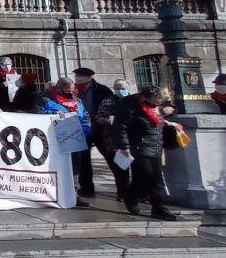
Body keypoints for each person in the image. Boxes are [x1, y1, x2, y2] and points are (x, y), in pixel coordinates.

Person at [111, 86, 179, 221]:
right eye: (156, 100)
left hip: (156, 145)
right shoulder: (131, 106)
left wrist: (171, 110)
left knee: (156, 178)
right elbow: (120, 127)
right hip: (138, 146)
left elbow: (167, 112)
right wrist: (124, 145)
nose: (158, 103)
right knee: (145, 176)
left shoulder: (156, 107)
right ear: (145, 97)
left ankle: (158, 207)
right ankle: (131, 196)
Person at [41, 76, 92, 208]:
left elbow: (85, 116)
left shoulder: (77, 101)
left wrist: (85, 130)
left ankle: (74, 195)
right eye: (67, 90)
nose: (71, 93)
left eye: (72, 90)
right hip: (56, 140)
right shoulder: (46, 99)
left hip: (76, 139)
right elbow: (37, 114)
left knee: (75, 169)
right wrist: (52, 113)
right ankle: (56, 194)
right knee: (58, 168)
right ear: (58, 88)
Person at [73, 67, 114, 197]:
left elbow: (111, 106)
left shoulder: (101, 90)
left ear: (89, 77)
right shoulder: (72, 90)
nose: (77, 78)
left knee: (111, 157)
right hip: (82, 130)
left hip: (99, 129)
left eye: (80, 76)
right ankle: (86, 189)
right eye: (76, 75)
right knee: (84, 162)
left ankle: (123, 188)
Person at [94, 78, 132, 201]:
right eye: (117, 88)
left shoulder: (134, 100)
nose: (120, 91)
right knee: (119, 168)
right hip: (112, 140)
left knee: (137, 168)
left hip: (132, 139)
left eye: (123, 88)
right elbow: (99, 117)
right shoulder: (108, 101)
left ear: (128, 88)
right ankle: (122, 192)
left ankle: (138, 193)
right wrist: (108, 121)